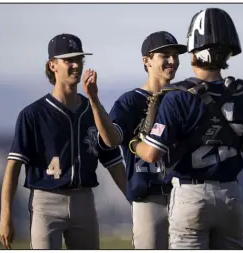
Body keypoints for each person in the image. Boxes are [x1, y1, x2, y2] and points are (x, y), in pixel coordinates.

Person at [129, 8, 243, 249]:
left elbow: (151, 154)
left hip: (191, 195)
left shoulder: (177, 96)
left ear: (193, 53)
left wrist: (134, 142)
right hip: (231, 193)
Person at [0, 33, 127, 250]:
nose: (76, 65)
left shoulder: (92, 110)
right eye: (69, 60)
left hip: (84, 200)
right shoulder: (33, 114)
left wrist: (134, 199)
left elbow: (113, 161)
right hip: (46, 202)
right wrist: (5, 216)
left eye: (79, 59)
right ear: (53, 65)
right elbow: (13, 167)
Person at [82, 31, 187, 249]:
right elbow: (111, 140)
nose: (172, 60)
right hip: (148, 198)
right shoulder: (130, 102)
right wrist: (94, 100)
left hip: (185, 195)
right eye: (164, 55)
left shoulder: (183, 98)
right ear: (146, 61)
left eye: (175, 55)